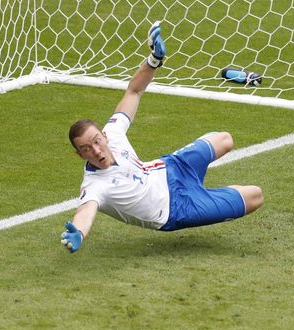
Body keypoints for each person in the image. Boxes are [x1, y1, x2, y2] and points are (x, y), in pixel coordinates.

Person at [61, 21, 264, 253]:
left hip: (171, 168)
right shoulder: (94, 185)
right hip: (176, 209)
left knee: (225, 139)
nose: (96, 150)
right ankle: (211, 196)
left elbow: (134, 91)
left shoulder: (114, 133)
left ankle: (208, 189)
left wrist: (154, 60)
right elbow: (85, 211)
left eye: (97, 141)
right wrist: (79, 232)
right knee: (255, 196)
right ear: (79, 155)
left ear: (104, 136)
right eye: (87, 149)